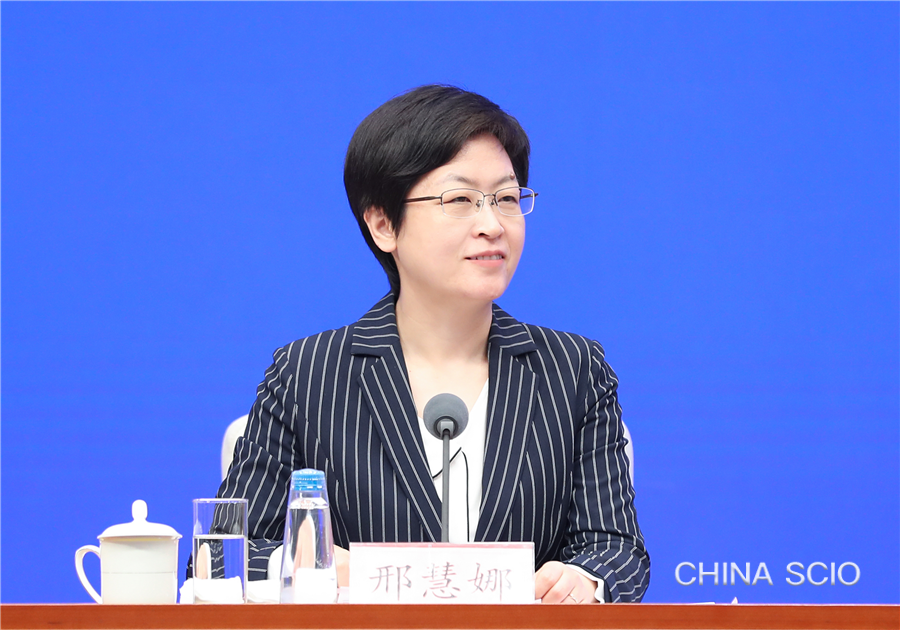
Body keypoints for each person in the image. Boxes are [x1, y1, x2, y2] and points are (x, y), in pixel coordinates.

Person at [216, 85, 649, 603]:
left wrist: (582, 581)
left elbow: (616, 549)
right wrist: (329, 565)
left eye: (507, 199)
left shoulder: (572, 369)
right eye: (460, 200)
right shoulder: (307, 374)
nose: (492, 225)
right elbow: (225, 554)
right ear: (383, 224)